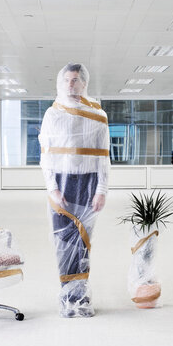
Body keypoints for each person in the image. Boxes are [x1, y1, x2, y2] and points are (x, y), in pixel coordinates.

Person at [38, 63, 110, 318]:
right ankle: (68, 298)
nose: (71, 84)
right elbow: (46, 156)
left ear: (84, 83)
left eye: (76, 80)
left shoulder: (98, 115)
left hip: (87, 182)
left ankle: (81, 297)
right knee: (64, 240)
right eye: (67, 79)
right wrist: (53, 189)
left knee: (83, 242)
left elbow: (103, 157)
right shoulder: (53, 114)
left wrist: (101, 190)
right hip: (61, 181)